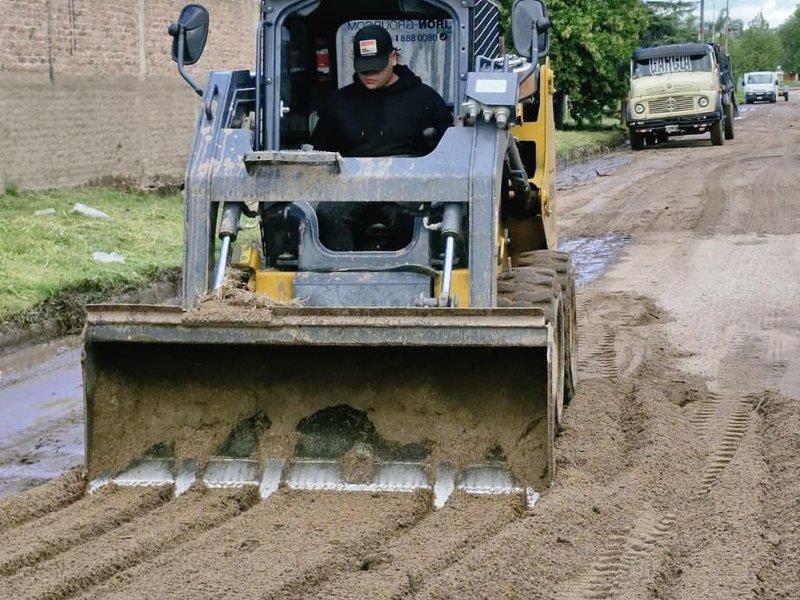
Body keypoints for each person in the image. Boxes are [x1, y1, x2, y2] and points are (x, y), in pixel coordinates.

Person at [310, 24, 452, 251]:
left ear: (393, 58)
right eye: (364, 70)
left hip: (408, 189)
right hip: (351, 188)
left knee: (413, 219)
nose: (369, 75)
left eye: (376, 69)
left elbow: (447, 153)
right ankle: (341, 275)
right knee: (327, 215)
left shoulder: (425, 100)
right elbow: (320, 153)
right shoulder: (339, 104)